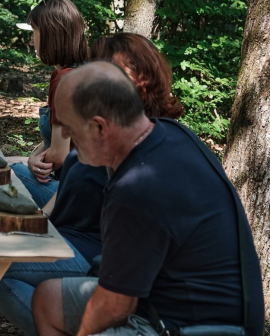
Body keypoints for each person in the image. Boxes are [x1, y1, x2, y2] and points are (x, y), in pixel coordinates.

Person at [31, 61, 264, 336]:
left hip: (200, 326)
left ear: (99, 127)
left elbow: (114, 306)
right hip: (159, 298)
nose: (66, 136)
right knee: (49, 300)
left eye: (69, 127)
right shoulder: (168, 133)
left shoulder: (136, 188)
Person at [0, 34, 184, 335]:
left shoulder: (139, 149)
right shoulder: (122, 135)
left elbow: (124, 276)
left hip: (110, 273)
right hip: (83, 250)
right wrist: (35, 221)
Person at [12, 0, 88, 207]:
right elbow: (59, 140)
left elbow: (60, 155)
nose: (31, 41)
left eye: (34, 32)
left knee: (8, 172)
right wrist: (35, 155)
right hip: (75, 185)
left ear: (51, 35)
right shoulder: (74, 73)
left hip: (77, 197)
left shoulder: (65, 80)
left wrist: (31, 161)